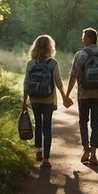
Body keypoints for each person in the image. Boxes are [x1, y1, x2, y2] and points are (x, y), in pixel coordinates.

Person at [64, 28, 98, 166]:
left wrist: (67, 95)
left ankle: (86, 150)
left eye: (83, 37)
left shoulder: (80, 55)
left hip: (83, 95)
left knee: (83, 122)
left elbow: (73, 75)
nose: (82, 39)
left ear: (89, 39)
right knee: (96, 123)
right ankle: (94, 153)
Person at [22, 35, 69, 168]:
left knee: (38, 124)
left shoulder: (30, 64)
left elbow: (26, 83)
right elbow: (58, 82)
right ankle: (46, 160)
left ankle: (38, 150)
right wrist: (64, 97)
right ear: (50, 47)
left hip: (34, 99)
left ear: (35, 47)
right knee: (47, 128)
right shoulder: (53, 63)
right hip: (48, 99)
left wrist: (24, 102)